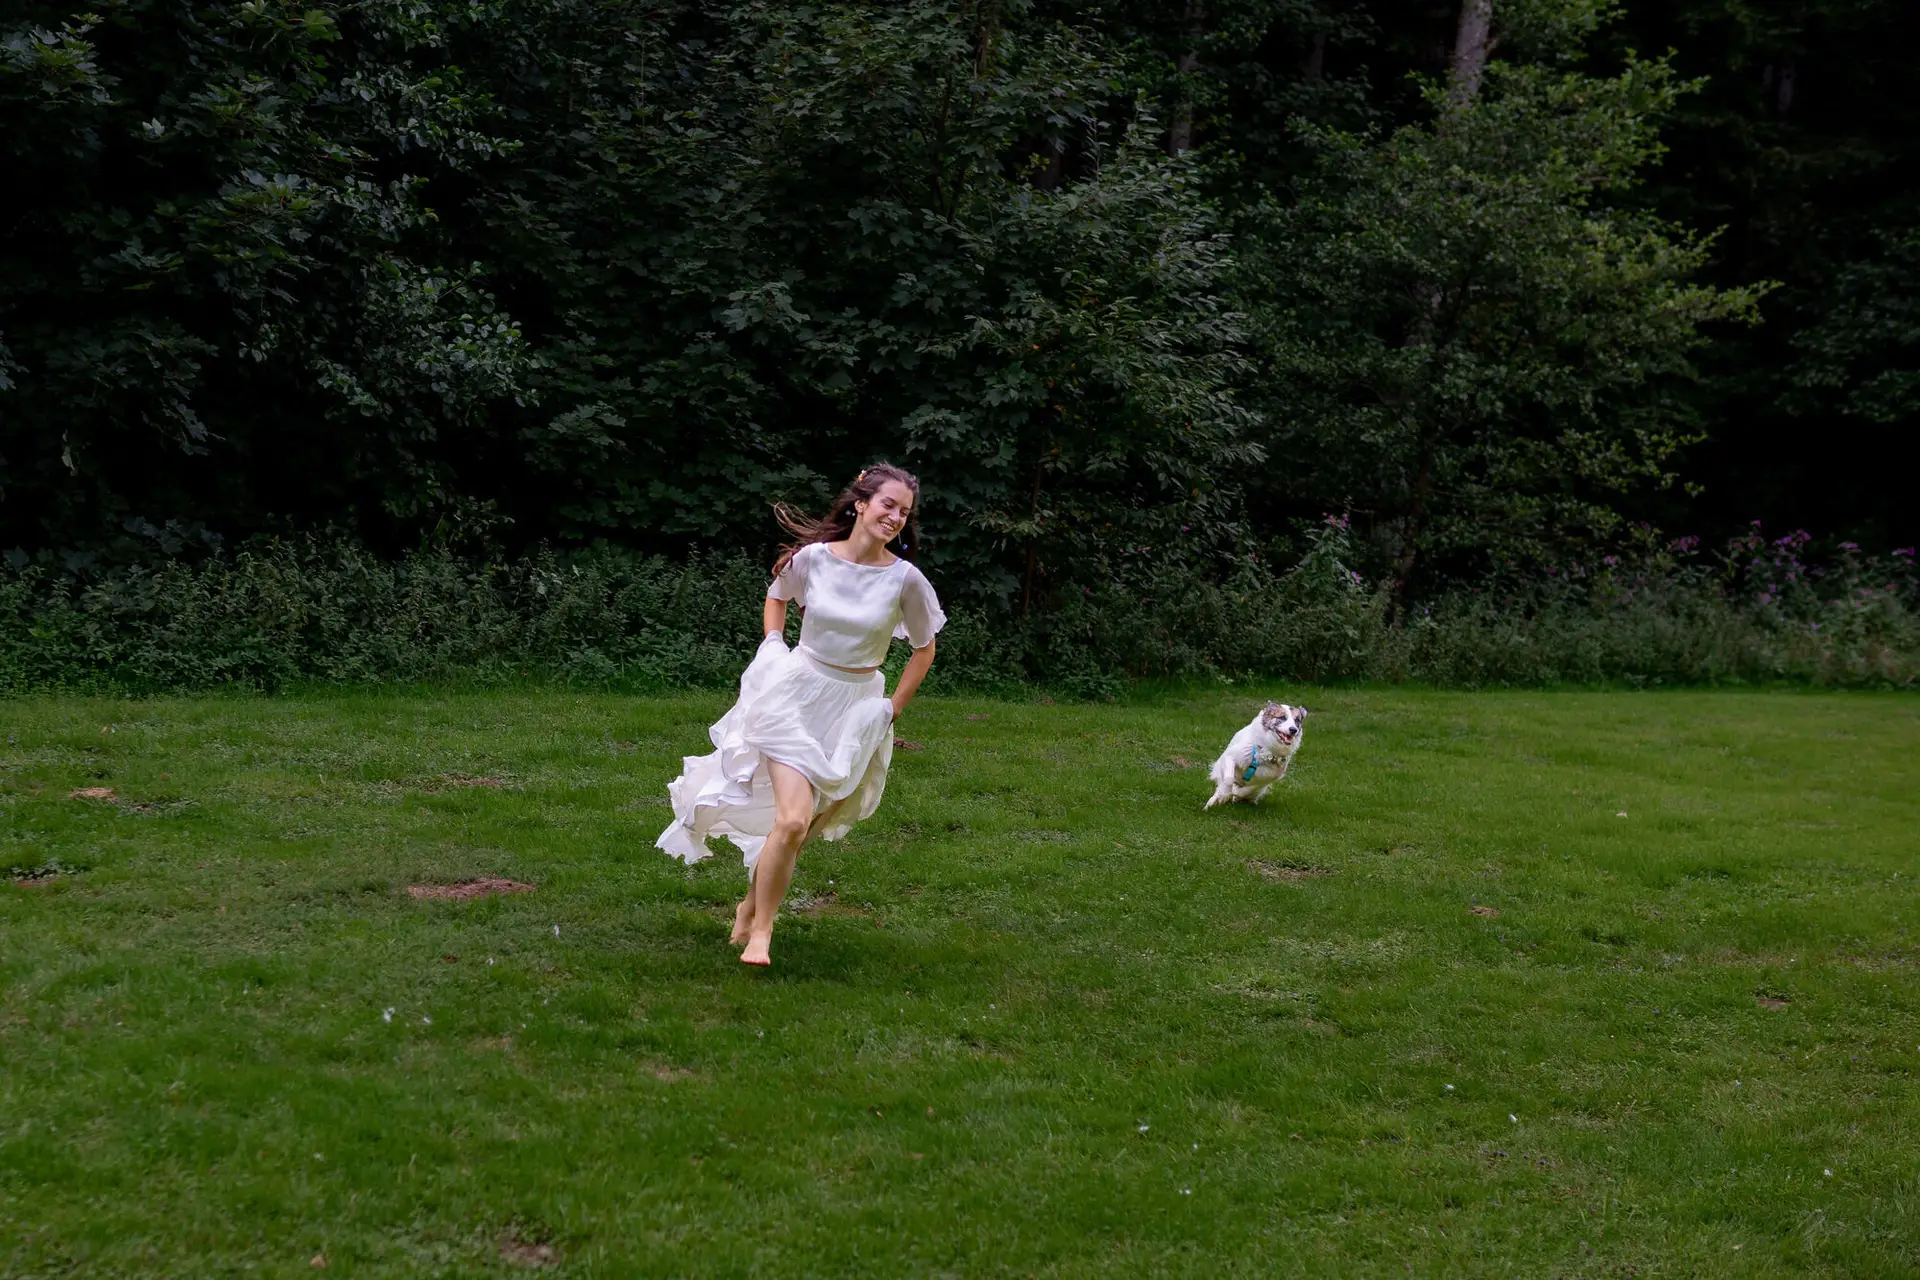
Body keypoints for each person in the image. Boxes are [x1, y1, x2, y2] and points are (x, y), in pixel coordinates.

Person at [655, 464, 944, 967]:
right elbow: (777, 596)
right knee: (791, 820)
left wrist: (890, 710)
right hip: (797, 696)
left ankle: (750, 903)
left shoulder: (905, 581)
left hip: (855, 710)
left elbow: (924, 649)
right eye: (888, 505)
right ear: (860, 503)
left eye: (905, 512)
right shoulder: (813, 559)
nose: (896, 518)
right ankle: (761, 932)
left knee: (804, 826)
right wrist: (773, 645)